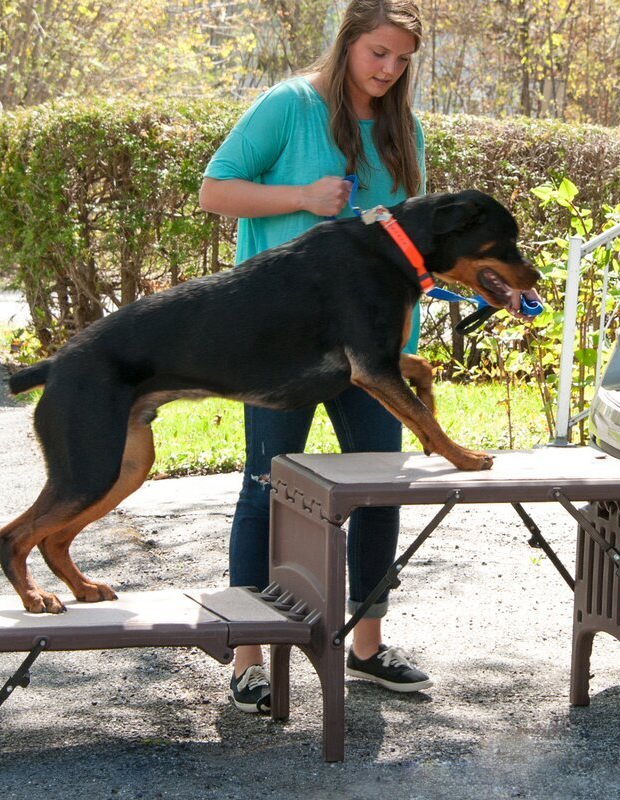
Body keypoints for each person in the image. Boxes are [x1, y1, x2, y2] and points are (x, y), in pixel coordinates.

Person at [199, 0, 433, 714]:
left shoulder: (403, 128)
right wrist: (301, 196)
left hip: (374, 348)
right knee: (267, 487)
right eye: (378, 53)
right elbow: (214, 191)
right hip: (281, 344)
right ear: (349, 41)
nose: (388, 70)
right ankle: (247, 654)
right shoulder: (289, 106)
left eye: (401, 59)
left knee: (380, 485)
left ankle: (366, 644)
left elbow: (407, 240)